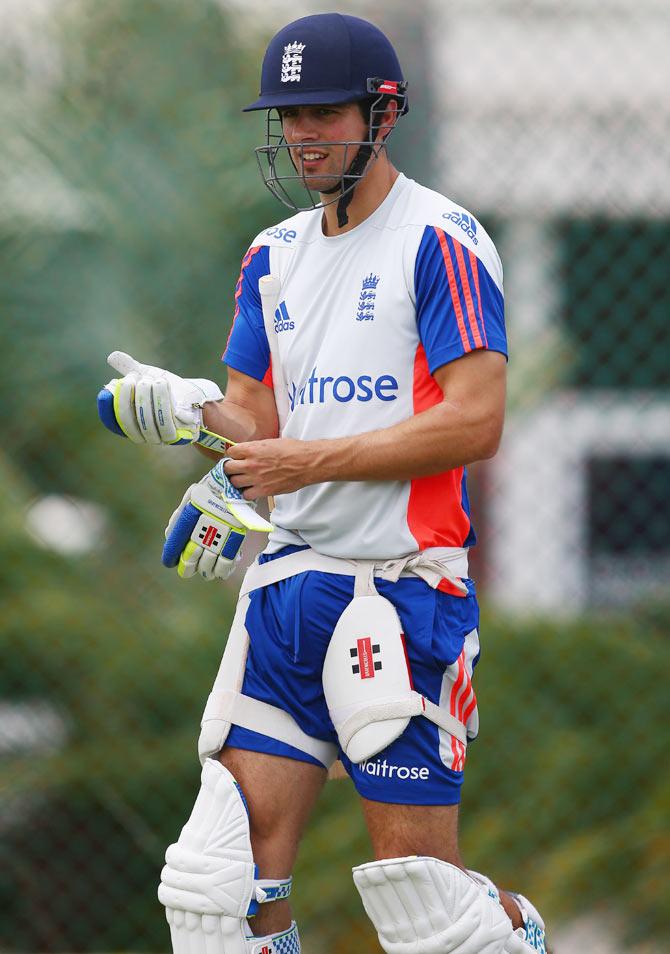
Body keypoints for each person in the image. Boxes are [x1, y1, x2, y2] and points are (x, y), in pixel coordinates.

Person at [98, 13, 549, 954]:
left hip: (404, 589)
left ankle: (514, 931)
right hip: (289, 585)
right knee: (214, 895)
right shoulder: (272, 254)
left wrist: (305, 460)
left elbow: (477, 420)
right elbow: (258, 427)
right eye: (289, 115)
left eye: (326, 113)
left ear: (382, 113)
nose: (303, 134)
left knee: (429, 912)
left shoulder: (441, 238)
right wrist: (183, 409)